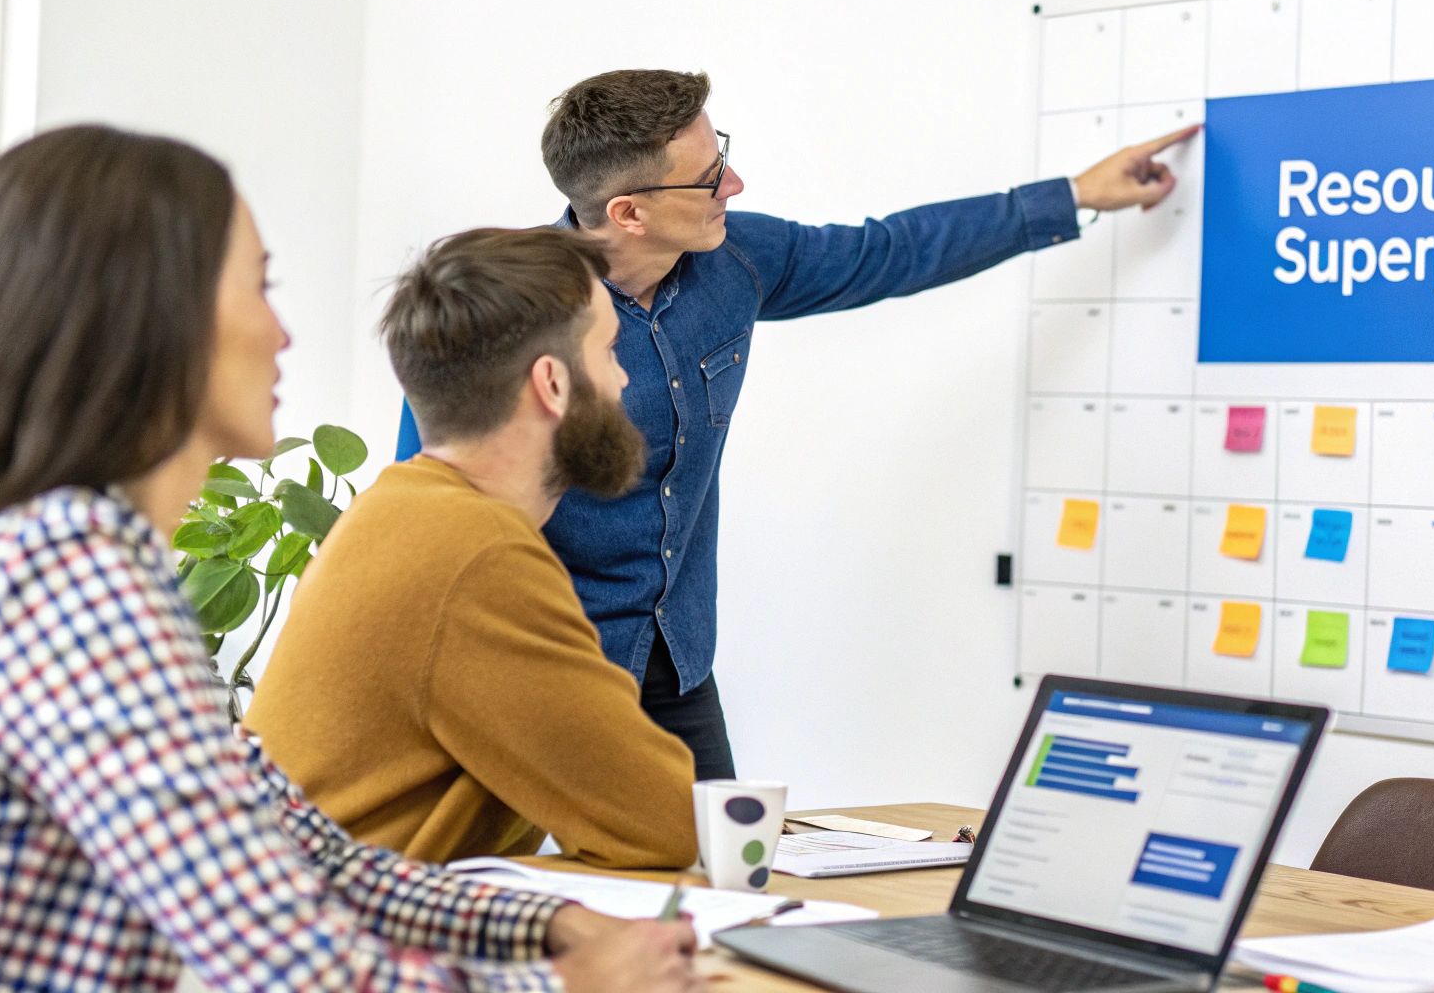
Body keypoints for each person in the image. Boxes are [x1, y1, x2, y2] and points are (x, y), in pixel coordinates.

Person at [0, 124, 699, 992]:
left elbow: (308, 852)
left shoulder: (89, 565)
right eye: (259, 286)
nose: (282, 333)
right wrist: (574, 982)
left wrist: (552, 926)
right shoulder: (71, 582)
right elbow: (293, 975)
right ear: (153, 315)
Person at [396, 68, 1199, 780]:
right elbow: (434, 515)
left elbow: (887, 252)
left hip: (675, 664)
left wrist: (1073, 195)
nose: (734, 184)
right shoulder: (503, 311)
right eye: (708, 177)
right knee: (513, 897)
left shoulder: (733, 261)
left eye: (724, 156)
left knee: (718, 885)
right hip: (540, 669)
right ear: (629, 212)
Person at [247, 227, 697, 868]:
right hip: (350, 946)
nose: (624, 381)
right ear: (553, 383)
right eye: (610, 351)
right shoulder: (476, 555)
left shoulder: (401, 510)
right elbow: (665, 820)